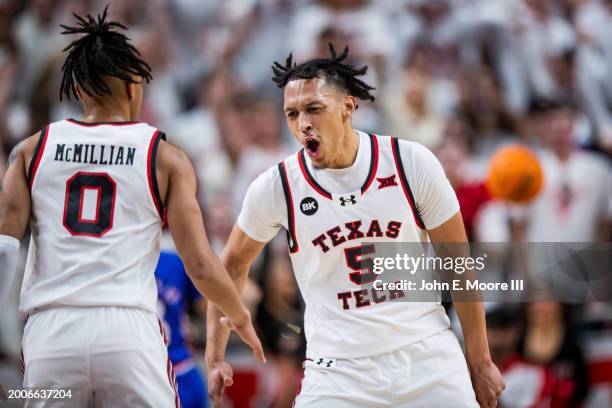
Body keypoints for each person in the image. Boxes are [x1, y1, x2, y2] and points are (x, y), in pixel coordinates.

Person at [206, 45, 505, 407]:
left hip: (427, 357)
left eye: (314, 109)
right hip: (338, 373)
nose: (303, 124)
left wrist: (480, 360)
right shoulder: (277, 186)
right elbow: (232, 266)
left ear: (348, 106)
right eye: (292, 114)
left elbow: (457, 265)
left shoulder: (410, 162)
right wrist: (214, 355)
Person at [0, 7, 264, 407]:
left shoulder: (29, 150)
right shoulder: (165, 156)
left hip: (50, 334)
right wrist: (238, 315)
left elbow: (3, 252)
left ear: (79, 90)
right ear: (133, 87)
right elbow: (200, 265)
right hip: (127, 332)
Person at [156, 250, 208, 408]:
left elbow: (205, 306)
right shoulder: (175, 260)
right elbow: (209, 308)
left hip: (176, 368)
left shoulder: (113, 263)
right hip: (178, 368)